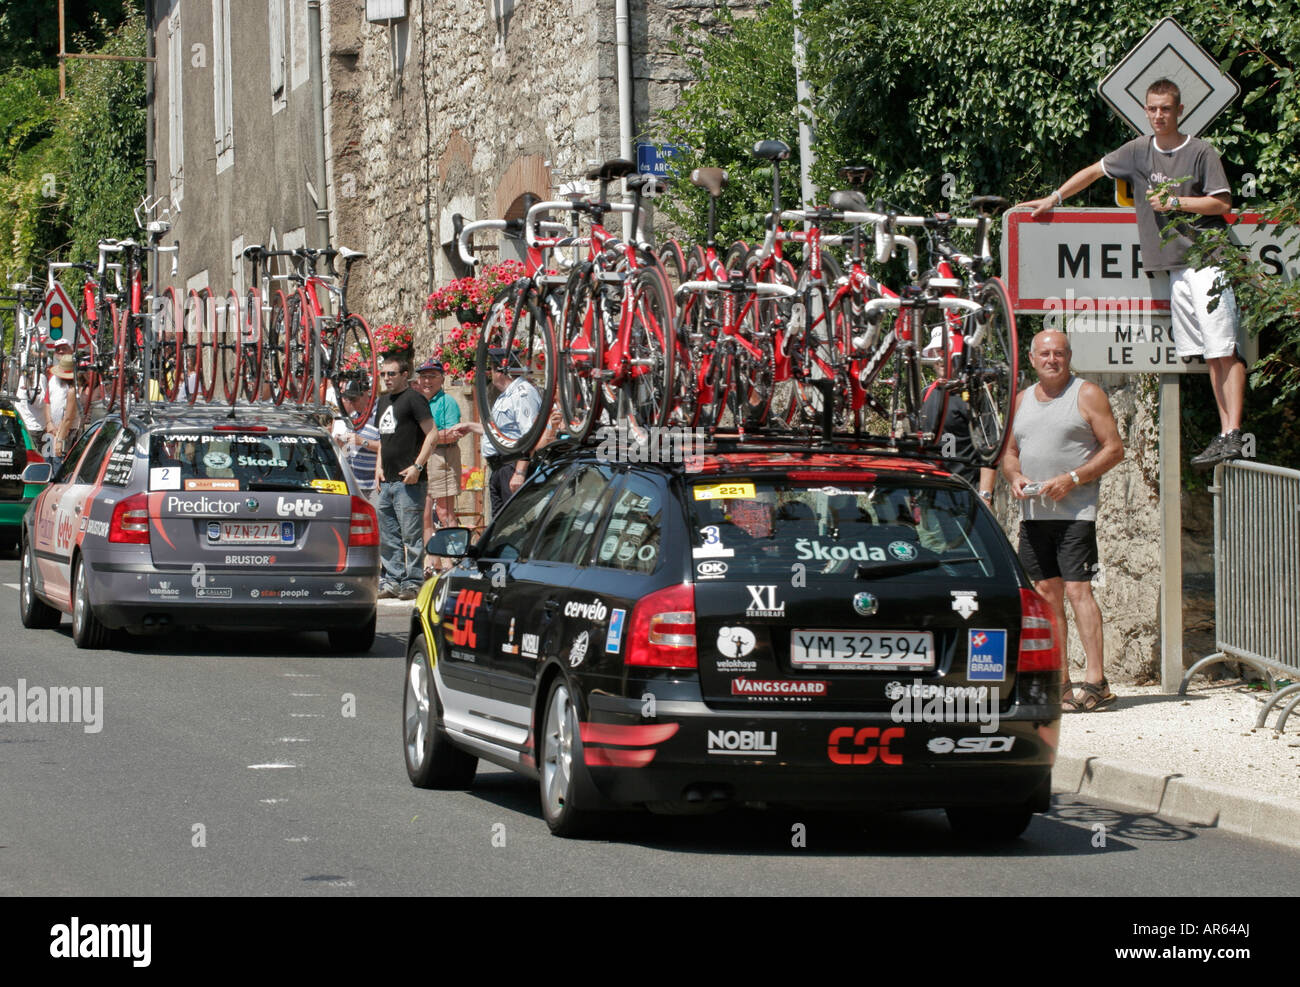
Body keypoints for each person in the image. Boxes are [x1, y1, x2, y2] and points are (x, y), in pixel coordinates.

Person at [1019, 77, 1244, 468]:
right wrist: (1053, 198)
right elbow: (1092, 172)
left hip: (1209, 260)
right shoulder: (1138, 151)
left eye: (1166, 109)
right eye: (1153, 109)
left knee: (1225, 349)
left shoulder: (1200, 151)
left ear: (1179, 111)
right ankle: (1225, 435)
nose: (1159, 115)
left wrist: (1176, 201)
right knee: (1209, 354)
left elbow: (1221, 204)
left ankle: (1234, 433)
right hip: (1174, 269)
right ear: (1146, 111)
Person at [1002, 330, 1124, 712]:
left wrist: (1073, 478)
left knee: (1078, 592)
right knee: (1045, 594)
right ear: (1033, 358)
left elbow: (1115, 448)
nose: (1051, 359)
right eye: (1044, 353)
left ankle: (1097, 681)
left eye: (1058, 353)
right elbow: (1008, 452)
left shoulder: (1086, 394)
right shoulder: (1021, 400)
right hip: (1035, 514)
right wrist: (1014, 477)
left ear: (1069, 356)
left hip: (1076, 513)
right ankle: (1060, 680)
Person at [374, 355, 445, 600]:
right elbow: (384, 440)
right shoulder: (383, 401)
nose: (387, 378)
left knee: (412, 535)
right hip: (387, 480)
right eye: (383, 374)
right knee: (388, 534)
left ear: (405, 375)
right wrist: (378, 468)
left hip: (409, 480)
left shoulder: (414, 399)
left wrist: (417, 466)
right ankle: (392, 579)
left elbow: (432, 435)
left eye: (391, 374)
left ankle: (413, 581)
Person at [448, 348, 541, 516]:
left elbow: (530, 435)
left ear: (499, 371)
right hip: (499, 469)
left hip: (512, 468)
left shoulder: (523, 393)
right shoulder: (506, 395)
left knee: (515, 523)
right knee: (499, 527)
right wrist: (470, 427)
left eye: (491, 369)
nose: (490, 375)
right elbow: (500, 432)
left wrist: (520, 472)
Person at [414, 358, 462, 545]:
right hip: (423, 459)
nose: (427, 381)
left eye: (432, 376)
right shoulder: (417, 401)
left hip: (443, 457)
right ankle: (434, 563)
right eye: (424, 376)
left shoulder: (447, 402)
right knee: (425, 514)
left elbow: (453, 434)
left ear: (442, 379)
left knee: (444, 512)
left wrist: (426, 438)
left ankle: (457, 557)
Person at [333, 381, 379, 504]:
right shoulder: (355, 416)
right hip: (355, 483)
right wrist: (341, 442)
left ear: (366, 394)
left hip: (373, 485)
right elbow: (350, 446)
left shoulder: (379, 414)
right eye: (349, 399)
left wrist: (363, 442)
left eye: (354, 399)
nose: (352, 403)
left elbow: (388, 446)